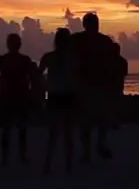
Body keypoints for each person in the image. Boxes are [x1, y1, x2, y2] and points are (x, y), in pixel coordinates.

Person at [71, 12, 116, 162]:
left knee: (91, 121)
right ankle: (94, 146)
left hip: (92, 85)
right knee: (95, 120)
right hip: (90, 85)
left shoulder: (78, 40)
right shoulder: (102, 41)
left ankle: (90, 149)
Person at [0, 33, 39, 166]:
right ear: (19, 45)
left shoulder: (2, 60)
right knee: (20, 129)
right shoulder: (24, 60)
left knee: (8, 129)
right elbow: (33, 78)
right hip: (18, 96)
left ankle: (6, 158)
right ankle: (20, 156)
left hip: (10, 96)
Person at [39, 27, 78, 174]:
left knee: (54, 135)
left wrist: (43, 88)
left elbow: (38, 75)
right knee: (68, 135)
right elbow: (77, 79)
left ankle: (49, 165)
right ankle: (68, 166)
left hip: (56, 97)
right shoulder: (73, 58)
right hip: (66, 97)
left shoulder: (49, 57)